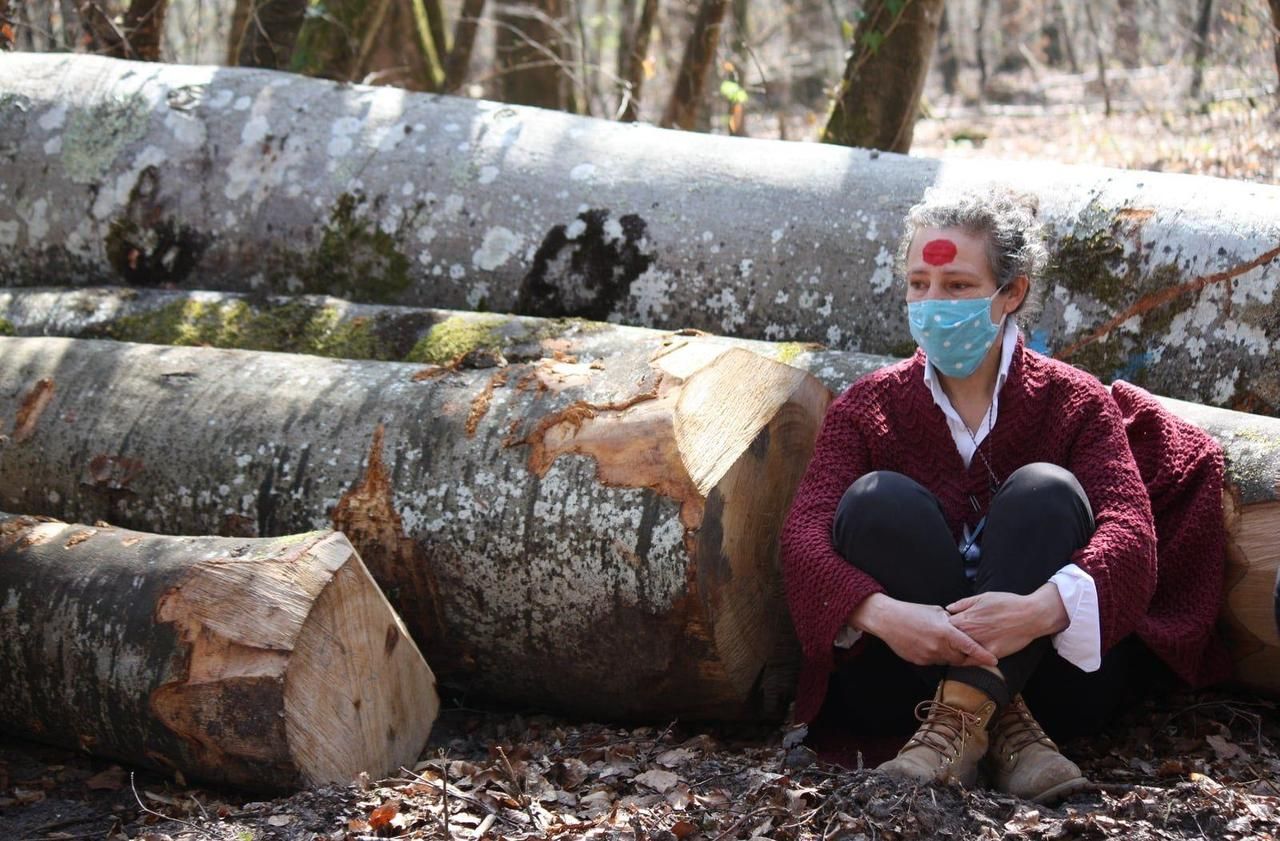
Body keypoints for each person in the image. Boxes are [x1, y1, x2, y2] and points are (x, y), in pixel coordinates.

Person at [780, 189, 1163, 804]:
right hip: (900, 684)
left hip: (1053, 682)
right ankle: (1004, 730)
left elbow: (1132, 533)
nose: (933, 303)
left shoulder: (1076, 403)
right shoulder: (867, 407)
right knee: (877, 501)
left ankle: (967, 719)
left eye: (957, 286)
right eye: (918, 283)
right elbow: (803, 538)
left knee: (1046, 490)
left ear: (1009, 294)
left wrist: (1040, 610)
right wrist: (886, 616)